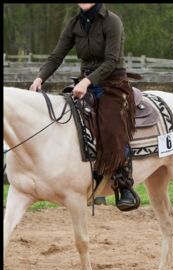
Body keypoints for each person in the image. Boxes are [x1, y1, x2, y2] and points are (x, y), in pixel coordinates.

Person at [29, 3, 139, 211]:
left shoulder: (112, 21)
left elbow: (111, 60)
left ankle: (124, 184)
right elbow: (56, 56)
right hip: (84, 82)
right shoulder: (74, 24)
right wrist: (39, 77)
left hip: (113, 83)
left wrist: (87, 81)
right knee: (65, 120)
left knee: (111, 127)